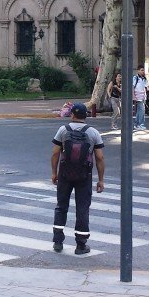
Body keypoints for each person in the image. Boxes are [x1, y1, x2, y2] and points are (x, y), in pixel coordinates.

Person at [50, 103, 105, 255]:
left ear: (72, 115)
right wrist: (101, 180)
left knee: (61, 206)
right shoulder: (93, 132)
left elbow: (55, 154)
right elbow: (99, 157)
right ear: (85, 116)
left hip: (65, 174)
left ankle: (58, 241)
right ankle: (81, 245)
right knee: (82, 208)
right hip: (84, 175)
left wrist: (54, 173)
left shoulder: (63, 130)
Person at [131, 65, 149, 130]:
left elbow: (148, 87)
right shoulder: (135, 78)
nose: (143, 72)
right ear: (138, 71)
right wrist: (133, 95)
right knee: (142, 110)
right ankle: (140, 124)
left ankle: (137, 124)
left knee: (140, 111)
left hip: (143, 96)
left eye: (143, 70)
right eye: (141, 70)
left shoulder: (144, 79)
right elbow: (132, 87)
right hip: (138, 96)